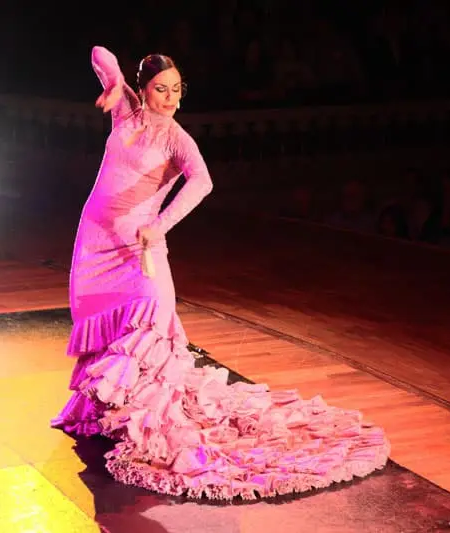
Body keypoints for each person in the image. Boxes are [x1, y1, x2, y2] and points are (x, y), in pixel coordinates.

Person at [51, 46, 389, 500]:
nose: (170, 99)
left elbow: (203, 183)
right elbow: (99, 54)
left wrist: (158, 224)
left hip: (140, 247)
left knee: (151, 316)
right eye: (160, 90)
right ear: (144, 88)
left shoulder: (177, 139)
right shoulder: (127, 113)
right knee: (105, 328)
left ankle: (148, 423)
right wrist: (113, 84)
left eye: (176, 91)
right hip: (95, 241)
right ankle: (110, 414)